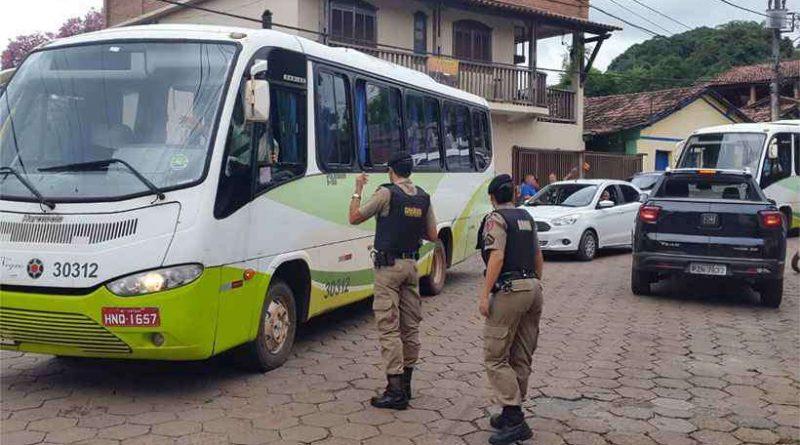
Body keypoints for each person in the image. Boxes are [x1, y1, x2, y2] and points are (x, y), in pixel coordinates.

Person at [348, 152, 438, 410]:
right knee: (410, 327)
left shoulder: (386, 193)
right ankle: (407, 386)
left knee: (388, 327)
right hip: (412, 267)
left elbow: (354, 217)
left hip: (388, 269)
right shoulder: (423, 196)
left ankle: (395, 390)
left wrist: (357, 190)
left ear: (391, 171)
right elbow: (432, 234)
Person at [476, 174, 544, 445]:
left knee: (495, 356)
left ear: (492, 197)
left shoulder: (496, 219)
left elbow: (497, 256)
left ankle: (515, 418)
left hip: (510, 290)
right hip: (533, 289)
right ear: (514, 194)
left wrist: (484, 294)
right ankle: (510, 410)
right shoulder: (526, 216)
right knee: (521, 353)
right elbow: (538, 255)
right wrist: (536, 284)